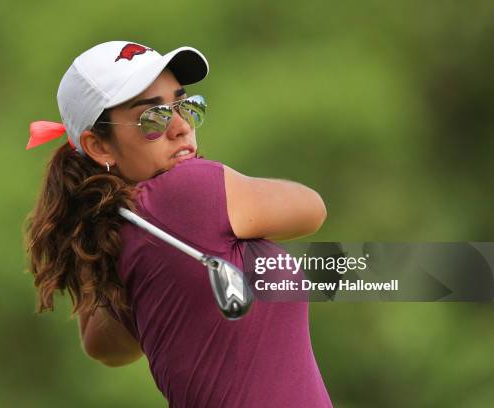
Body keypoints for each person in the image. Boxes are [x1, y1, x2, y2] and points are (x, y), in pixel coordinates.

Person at [24, 41, 332, 407]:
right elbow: (311, 208)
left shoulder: (124, 236)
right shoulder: (187, 192)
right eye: (153, 119)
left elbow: (104, 346)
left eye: (185, 106)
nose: (183, 128)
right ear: (100, 147)